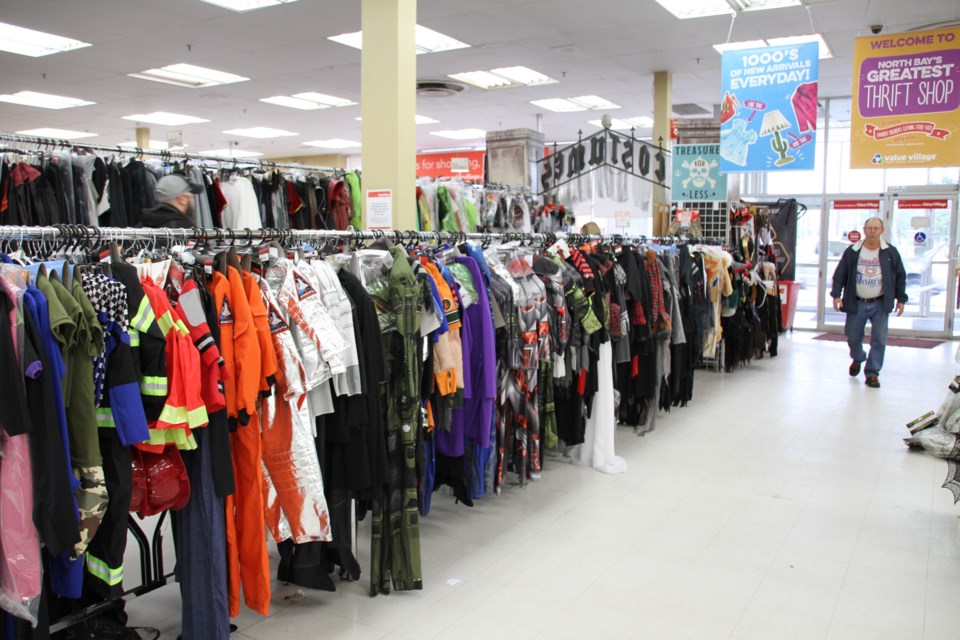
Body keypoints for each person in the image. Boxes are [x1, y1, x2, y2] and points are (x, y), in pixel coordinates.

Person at [830, 217, 907, 388]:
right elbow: (840, 274)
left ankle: (872, 373)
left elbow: (900, 276)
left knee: (879, 339)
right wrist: (836, 295)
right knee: (852, 337)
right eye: (869, 228)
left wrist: (901, 299)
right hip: (856, 303)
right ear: (864, 230)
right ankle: (858, 357)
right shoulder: (853, 251)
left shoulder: (890, 252)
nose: (872, 231)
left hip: (880, 303)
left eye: (876, 228)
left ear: (882, 231)